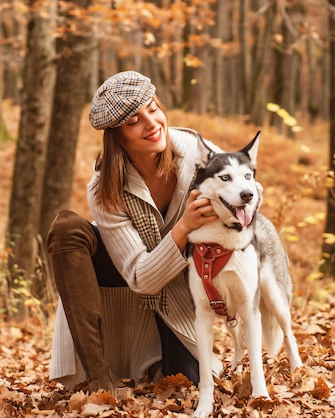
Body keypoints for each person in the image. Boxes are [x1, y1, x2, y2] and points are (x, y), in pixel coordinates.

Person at [47, 71, 222, 394]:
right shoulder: (105, 187)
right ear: (118, 136)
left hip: (182, 282)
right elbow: (140, 277)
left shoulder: (196, 152)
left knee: (185, 384)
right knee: (66, 229)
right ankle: (100, 377)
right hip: (133, 272)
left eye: (153, 108)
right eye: (133, 121)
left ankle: (157, 358)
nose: (151, 123)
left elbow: (250, 190)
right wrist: (184, 225)